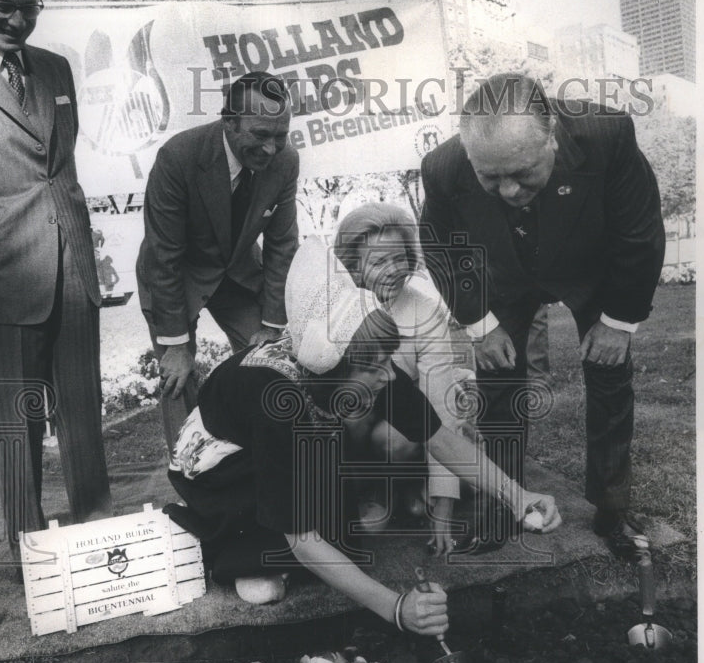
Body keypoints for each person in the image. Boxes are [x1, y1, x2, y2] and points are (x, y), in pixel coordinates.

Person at [164, 235, 560, 630]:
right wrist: (396, 609)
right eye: (375, 369)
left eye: (387, 362)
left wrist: (517, 495)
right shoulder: (277, 400)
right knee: (295, 541)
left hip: (282, 446)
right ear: (336, 372)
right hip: (223, 474)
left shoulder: (368, 361)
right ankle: (241, 556)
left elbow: (439, 438)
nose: (388, 375)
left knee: (342, 540)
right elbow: (301, 535)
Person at [420, 72, 665, 559]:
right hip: (506, 275)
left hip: (590, 264)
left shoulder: (608, 134)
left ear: (551, 135)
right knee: (498, 385)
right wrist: (480, 323)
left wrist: (617, 321)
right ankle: (505, 503)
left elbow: (639, 232)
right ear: (469, 156)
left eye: (522, 172)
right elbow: (441, 246)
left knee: (610, 375)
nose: (509, 190)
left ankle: (614, 508)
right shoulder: (442, 166)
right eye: (490, 177)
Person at [0, 0, 112, 572]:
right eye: (5, 7)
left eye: (32, 8)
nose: (18, 22)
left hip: (71, 266)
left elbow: (58, 172)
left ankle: (96, 530)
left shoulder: (55, 69)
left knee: (81, 409)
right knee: (14, 424)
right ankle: (30, 550)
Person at [136, 70, 299, 452]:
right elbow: (164, 256)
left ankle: (257, 461)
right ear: (229, 122)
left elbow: (282, 245)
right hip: (176, 276)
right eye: (260, 135)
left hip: (238, 273)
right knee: (178, 378)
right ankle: (189, 474)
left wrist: (272, 325)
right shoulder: (178, 156)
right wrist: (176, 345)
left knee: (274, 364)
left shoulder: (286, 161)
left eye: (280, 135)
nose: (271, 149)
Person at [331, 202, 470, 555]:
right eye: (378, 262)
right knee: (352, 412)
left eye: (400, 257)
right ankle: (371, 488)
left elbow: (440, 404)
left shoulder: (425, 310)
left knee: (396, 436)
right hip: (353, 424)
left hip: (406, 426)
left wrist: (444, 509)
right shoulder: (334, 308)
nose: (394, 270)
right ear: (353, 267)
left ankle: (409, 484)